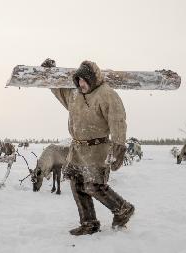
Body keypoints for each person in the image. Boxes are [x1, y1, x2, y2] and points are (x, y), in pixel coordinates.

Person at [42, 58, 135, 236]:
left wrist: (118, 149)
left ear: (93, 79)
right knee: (77, 184)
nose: (81, 84)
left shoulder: (107, 94)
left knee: (94, 185)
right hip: (77, 149)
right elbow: (59, 90)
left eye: (84, 80)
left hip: (98, 149)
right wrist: (50, 72)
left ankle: (123, 209)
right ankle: (89, 223)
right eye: (78, 80)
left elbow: (118, 121)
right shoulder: (75, 94)